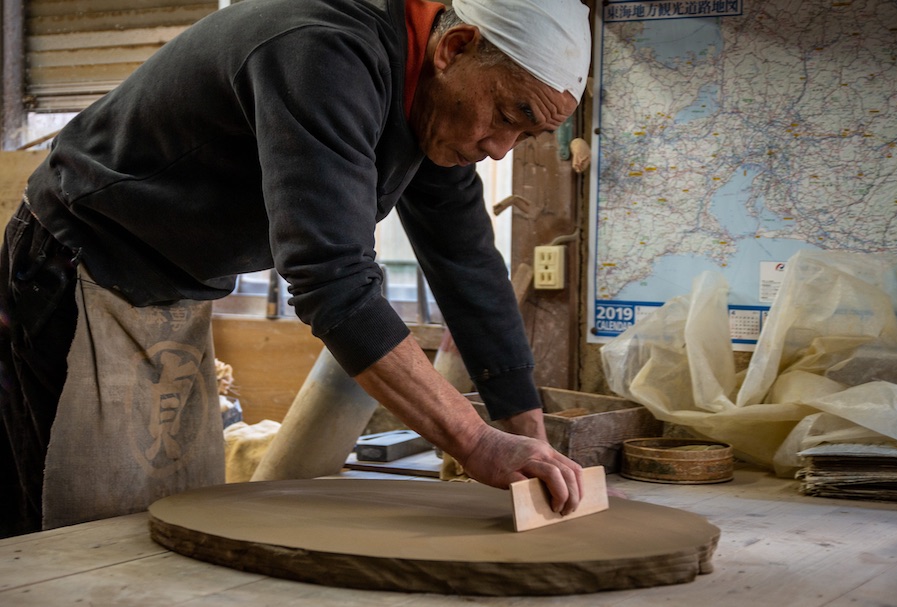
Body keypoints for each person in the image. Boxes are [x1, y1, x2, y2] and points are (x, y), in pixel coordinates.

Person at [0, 0, 591, 537]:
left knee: (170, 519)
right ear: (454, 48)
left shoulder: (436, 105)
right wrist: (476, 441)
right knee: (76, 533)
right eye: (508, 114)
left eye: (526, 134)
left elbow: (467, 267)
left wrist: (531, 441)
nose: (499, 148)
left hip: (175, 291)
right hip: (76, 263)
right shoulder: (325, 53)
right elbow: (333, 281)